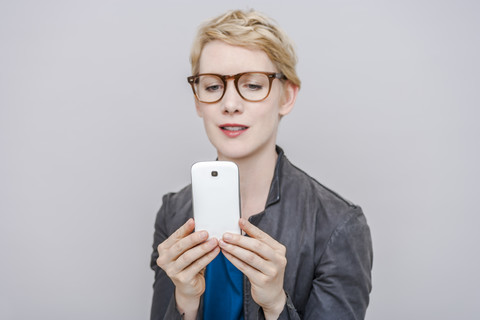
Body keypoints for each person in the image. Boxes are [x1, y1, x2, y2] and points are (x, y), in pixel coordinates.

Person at [150, 9, 372, 320]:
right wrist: (184, 303)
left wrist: (275, 305)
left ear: (287, 97)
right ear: (198, 100)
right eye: (213, 86)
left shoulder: (337, 225)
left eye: (253, 85)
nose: (230, 104)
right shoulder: (173, 213)